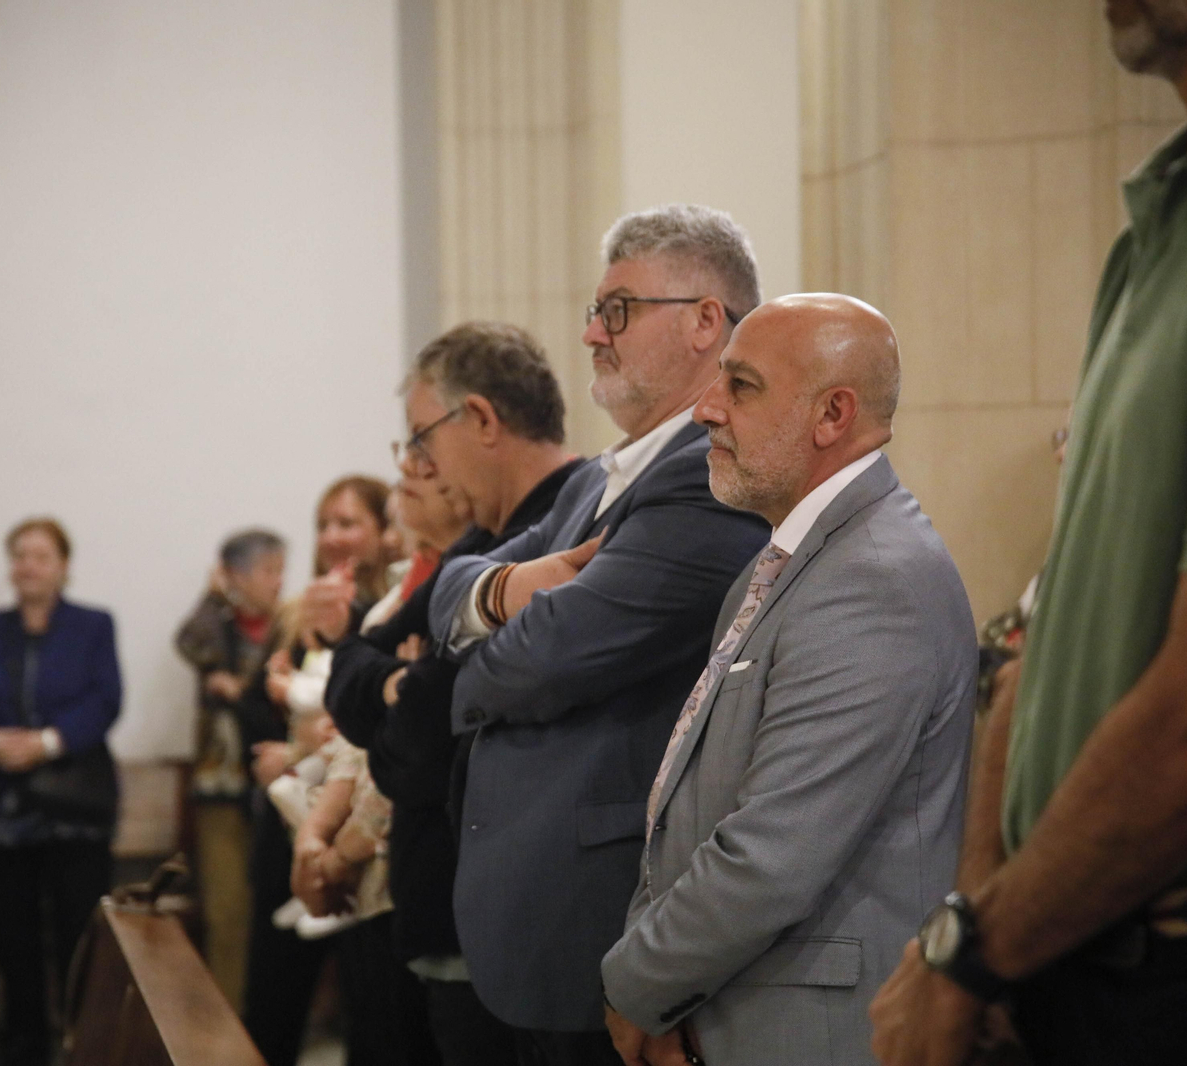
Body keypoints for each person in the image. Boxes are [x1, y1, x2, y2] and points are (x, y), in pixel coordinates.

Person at [869, 4, 1187, 1064]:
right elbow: (1049, 629)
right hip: (1078, 950)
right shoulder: (1165, 218)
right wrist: (980, 910)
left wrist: (972, 950)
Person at [427, 205, 771, 1065]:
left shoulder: (705, 475)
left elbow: (547, 661)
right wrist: (507, 588)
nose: (589, 333)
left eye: (618, 309)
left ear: (705, 322)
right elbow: (448, 588)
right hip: (541, 912)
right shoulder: (595, 483)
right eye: (594, 309)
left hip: (606, 917)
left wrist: (462, 674)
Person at [600, 294, 975, 1065]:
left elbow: (771, 858)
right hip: (733, 1007)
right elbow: (690, 803)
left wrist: (633, 984)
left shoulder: (872, 580)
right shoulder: (785, 565)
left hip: (815, 1033)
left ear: (832, 415)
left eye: (740, 386)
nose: (706, 409)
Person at [326, 322, 582, 1066]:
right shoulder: (475, 545)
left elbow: (411, 753)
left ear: (480, 420)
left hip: (516, 934)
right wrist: (400, 678)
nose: (419, 465)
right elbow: (352, 664)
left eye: (421, 438)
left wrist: (398, 696)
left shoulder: (562, 524)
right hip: (448, 915)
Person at [0, 518, 122, 1066]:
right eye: (19, 555)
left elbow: (105, 699)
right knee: (12, 939)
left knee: (77, 937)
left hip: (74, 808)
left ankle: (80, 1043)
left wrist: (46, 742)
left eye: (41, 556)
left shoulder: (93, 625)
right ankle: (23, 1045)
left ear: (63, 566)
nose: (28, 566)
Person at [244, 476, 393, 1066]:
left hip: (365, 829)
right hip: (288, 829)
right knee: (272, 999)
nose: (332, 536)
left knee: (370, 1009)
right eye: (324, 523)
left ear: (384, 532)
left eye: (348, 522)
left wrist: (318, 739)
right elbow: (255, 703)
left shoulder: (390, 612)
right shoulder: (294, 611)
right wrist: (288, 744)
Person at [174, 528, 289, 1009]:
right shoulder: (215, 626)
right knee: (227, 913)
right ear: (236, 576)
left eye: (281, 570)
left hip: (280, 781)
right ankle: (224, 1027)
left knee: (274, 912)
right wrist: (213, 592)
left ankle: (263, 1022)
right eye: (267, 571)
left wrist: (240, 692)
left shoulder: (291, 622)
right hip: (222, 787)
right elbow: (188, 644)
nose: (278, 582)